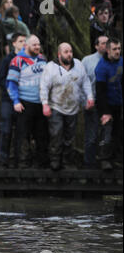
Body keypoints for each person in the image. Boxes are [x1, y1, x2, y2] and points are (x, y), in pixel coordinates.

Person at [39, 43, 95, 171]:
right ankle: (55, 161)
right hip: (56, 106)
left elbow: (86, 82)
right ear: (59, 54)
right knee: (56, 135)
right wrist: (45, 104)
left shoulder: (78, 65)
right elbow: (44, 87)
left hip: (73, 107)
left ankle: (67, 162)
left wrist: (90, 97)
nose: (69, 54)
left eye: (70, 51)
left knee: (70, 137)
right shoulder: (50, 68)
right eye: (66, 52)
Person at [7, 35, 48, 169]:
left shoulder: (42, 59)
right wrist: (15, 101)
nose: (37, 47)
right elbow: (11, 83)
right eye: (34, 45)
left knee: (42, 135)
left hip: (41, 103)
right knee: (23, 135)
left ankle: (41, 164)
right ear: (27, 46)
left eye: (38, 44)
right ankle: (22, 165)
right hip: (25, 103)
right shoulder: (17, 60)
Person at [0, 32, 26, 169]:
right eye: (20, 41)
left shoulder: (29, 59)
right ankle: (3, 160)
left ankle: (19, 160)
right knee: (6, 130)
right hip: (8, 100)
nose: (23, 44)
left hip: (24, 99)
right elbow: (1, 79)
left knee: (21, 132)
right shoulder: (7, 60)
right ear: (14, 43)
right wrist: (12, 89)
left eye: (25, 41)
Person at [81, 35, 108, 169]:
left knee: (106, 134)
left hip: (108, 104)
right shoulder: (87, 60)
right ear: (96, 46)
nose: (105, 45)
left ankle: (104, 161)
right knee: (91, 135)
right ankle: (89, 163)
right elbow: (80, 81)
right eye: (103, 43)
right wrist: (84, 100)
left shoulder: (115, 60)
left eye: (108, 43)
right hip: (92, 101)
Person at [95, 38, 122, 171]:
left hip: (118, 102)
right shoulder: (101, 66)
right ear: (108, 50)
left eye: (119, 49)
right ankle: (104, 159)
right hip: (106, 103)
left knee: (118, 132)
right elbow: (100, 91)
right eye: (114, 49)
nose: (117, 52)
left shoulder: (121, 61)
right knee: (107, 132)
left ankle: (116, 158)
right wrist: (105, 112)